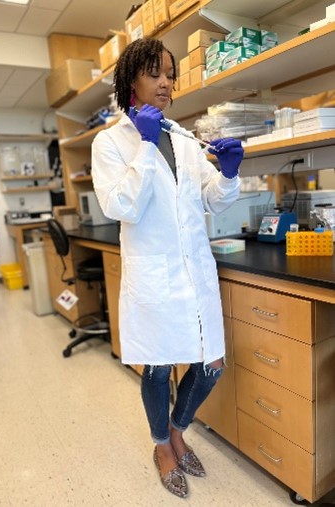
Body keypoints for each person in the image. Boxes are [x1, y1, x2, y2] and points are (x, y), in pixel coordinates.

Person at [91, 37, 243, 499]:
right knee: (158, 369)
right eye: (155, 73)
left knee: (211, 364)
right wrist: (143, 145)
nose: (166, 83)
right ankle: (162, 445)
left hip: (195, 271)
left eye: (170, 74)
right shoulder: (110, 142)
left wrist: (231, 174)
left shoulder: (182, 137)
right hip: (153, 275)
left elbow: (211, 200)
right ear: (131, 79)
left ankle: (179, 430)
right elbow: (122, 206)